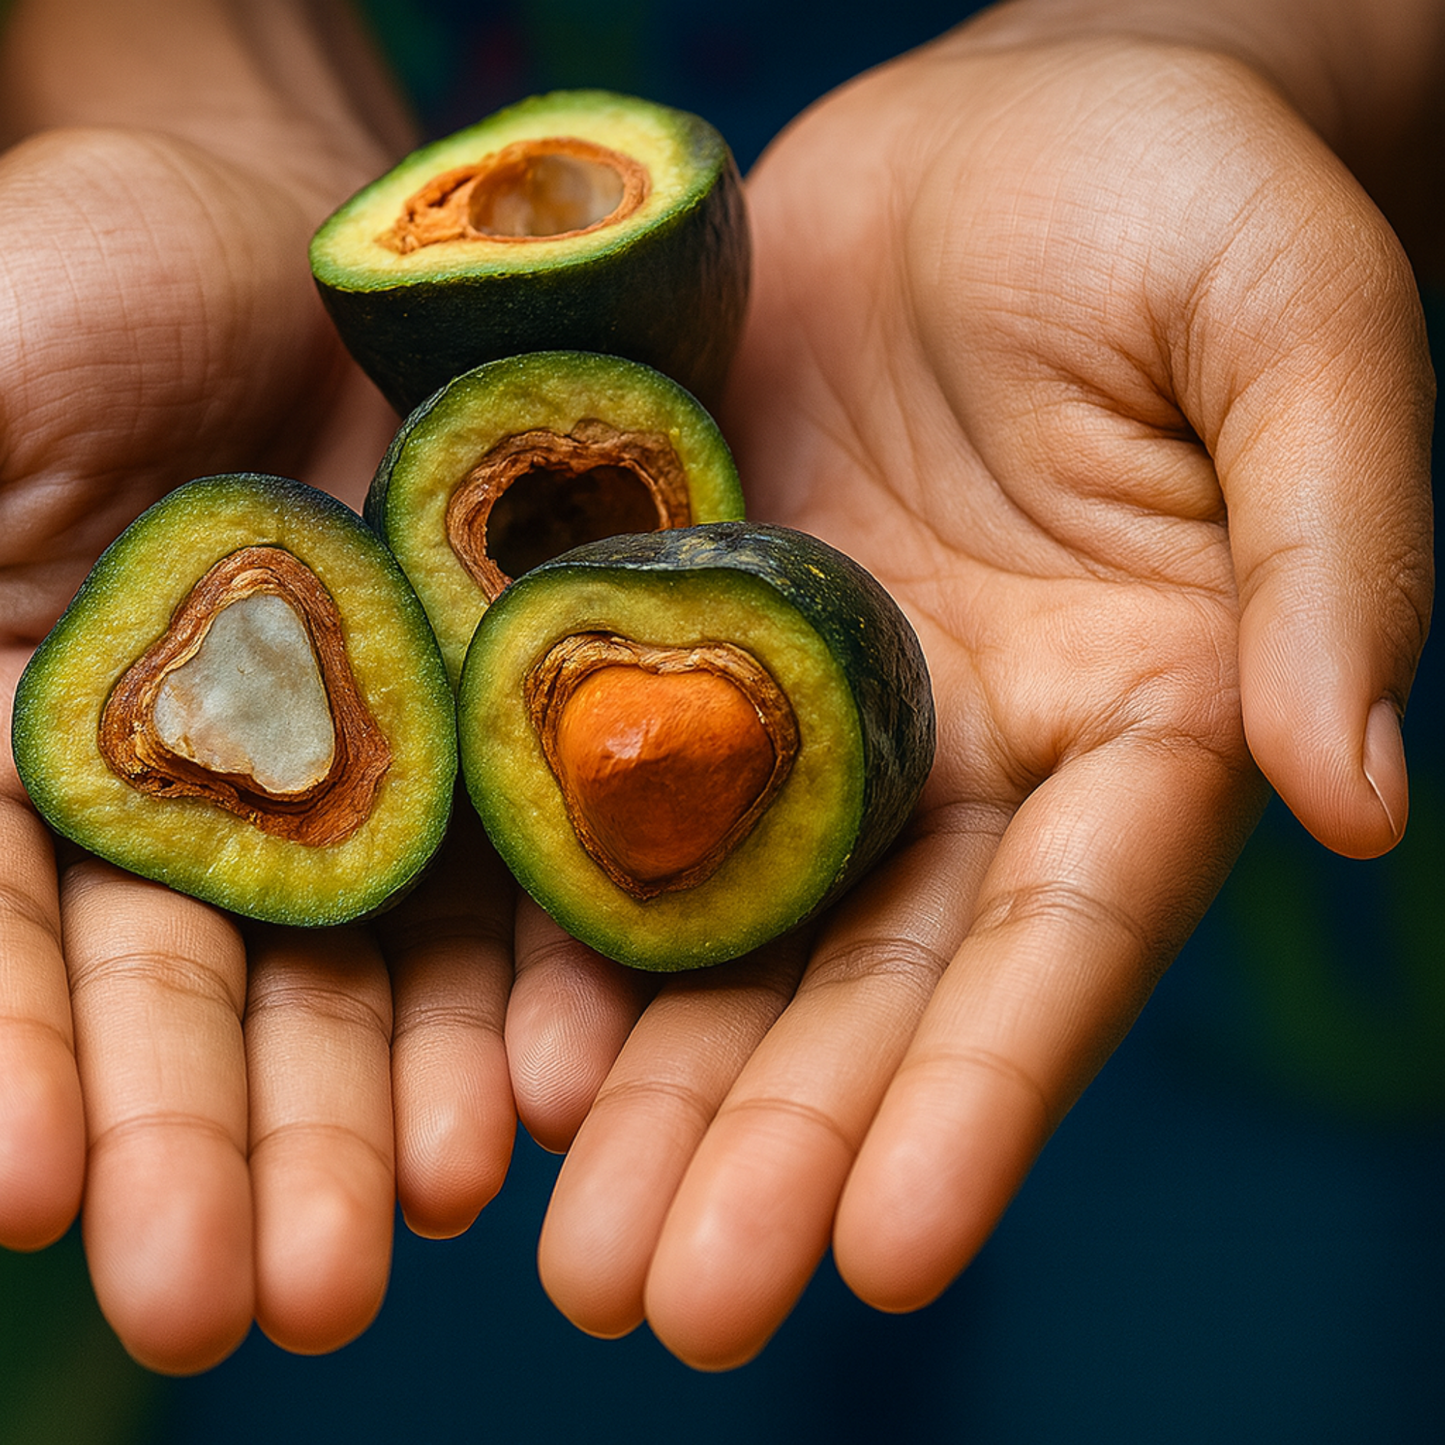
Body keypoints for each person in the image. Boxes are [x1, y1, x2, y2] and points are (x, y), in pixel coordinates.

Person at [0, 0, 1436, 1384]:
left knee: (1247, 1312)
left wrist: (1238, 30)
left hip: (1221, 843)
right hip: (510, 1114)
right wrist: (205, 106)